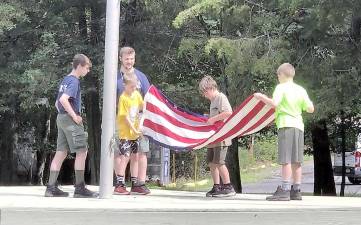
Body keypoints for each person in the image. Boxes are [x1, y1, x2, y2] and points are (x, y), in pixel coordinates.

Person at [255, 63, 314, 201]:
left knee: (286, 159)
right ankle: (296, 190)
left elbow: (275, 103)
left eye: (278, 75)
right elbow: (311, 108)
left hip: (286, 125)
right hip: (299, 126)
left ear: (282, 75)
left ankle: (285, 189)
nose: (277, 77)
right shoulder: (301, 90)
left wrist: (261, 97)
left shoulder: (281, 87)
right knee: (297, 160)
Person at [45, 54, 98, 198]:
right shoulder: (74, 81)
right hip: (70, 120)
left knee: (61, 152)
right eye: (87, 68)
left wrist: (63, 114)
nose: (88, 71)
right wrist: (75, 116)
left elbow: (57, 103)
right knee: (82, 151)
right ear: (80, 66)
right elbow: (63, 100)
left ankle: (50, 188)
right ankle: (80, 188)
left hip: (60, 118)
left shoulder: (65, 80)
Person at [114, 47, 151, 195]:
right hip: (121, 122)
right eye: (126, 59)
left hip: (138, 122)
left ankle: (138, 183)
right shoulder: (114, 77)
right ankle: (120, 183)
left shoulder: (141, 77)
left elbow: (148, 99)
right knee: (120, 153)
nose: (129, 62)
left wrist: (145, 119)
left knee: (141, 152)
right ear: (120, 58)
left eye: (131, 59)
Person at [199, 75, 236, 197]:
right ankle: (217, 186)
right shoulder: (212, 101)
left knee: (219, 162)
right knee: (211, 162)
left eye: (205, 92)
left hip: (221, 137)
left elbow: (228, 113)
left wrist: (213, 119)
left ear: (210, 88)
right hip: (213, 137)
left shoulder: (221, 97)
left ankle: (228, 186)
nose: (205, 95)